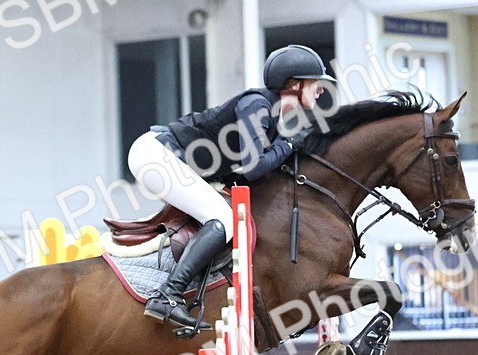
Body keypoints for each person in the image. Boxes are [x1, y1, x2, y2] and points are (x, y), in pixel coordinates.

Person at [128, 44, 335, 332]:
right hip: (156, 155)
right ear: (294, 84)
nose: (322, 90)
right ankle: (168, 295)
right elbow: (254, 166)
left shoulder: (272, 116)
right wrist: (289, 144)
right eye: (316, 82)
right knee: (223, 219)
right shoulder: (257, 105)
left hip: (172, 158)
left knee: (223, 214)